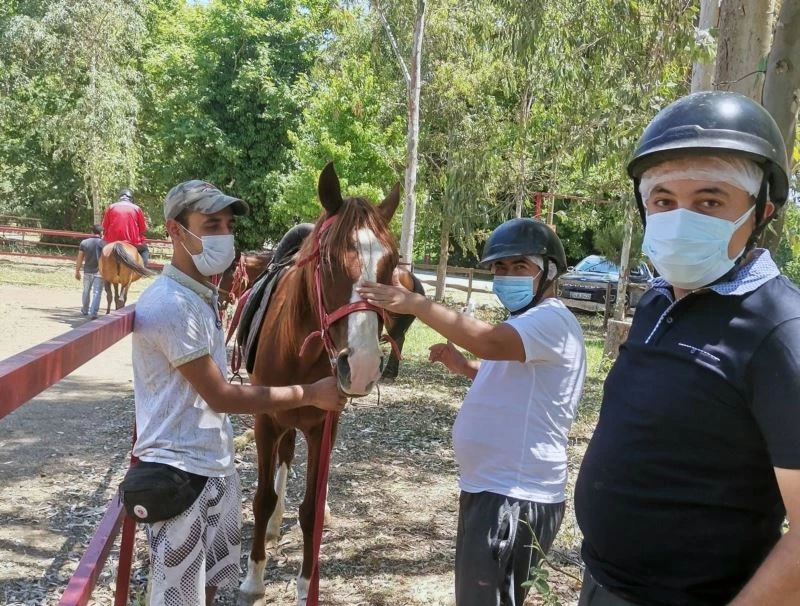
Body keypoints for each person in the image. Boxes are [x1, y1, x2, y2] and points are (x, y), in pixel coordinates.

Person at [574, 91, 800, 606]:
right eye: (663, 201)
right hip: (602, 584)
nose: (680, 219)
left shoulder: (781, 331)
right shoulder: (657, 301)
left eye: (710, 201)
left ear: (761, 209)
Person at [131, 180, 347, 605]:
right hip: (179, 474)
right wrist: (311, 392)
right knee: (177, 597)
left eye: (228, 224)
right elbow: (223, 397)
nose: (224, 235)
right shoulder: (171, 304)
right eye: (210, 224)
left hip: (214, 464)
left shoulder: (202, 296)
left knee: (213, 590)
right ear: (176, 230)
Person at [358, 218, 586, 606]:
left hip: (514, 496)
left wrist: (416, 303)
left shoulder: (551, 320)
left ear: (548, 271)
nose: (506, 275)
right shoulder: (526, 322)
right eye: (499, 268)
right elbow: (519, 376)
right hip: (493, 490)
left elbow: (488, 342)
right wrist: (465, 369)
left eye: (520, 267)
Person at [102, 188, 150, 265]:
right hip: (132, 241)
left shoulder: (111, 207)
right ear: (131, 198)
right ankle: (142, 269)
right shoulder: (137, 208)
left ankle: (96, 269)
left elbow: (104, 226)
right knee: (145, 250)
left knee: (99, 247)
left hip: (111, 241)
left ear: (120, 197)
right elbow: (142, 229)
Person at [74, 224, 105, 319]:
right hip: (99, 272)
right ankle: (94, 313)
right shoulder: (103, 243)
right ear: (101, 233)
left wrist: (77, 271)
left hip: (87, 271)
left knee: (86, 291)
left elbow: (80, 258)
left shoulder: (84, 243)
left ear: (92, 232)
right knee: (97, 292)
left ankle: (85, 309)